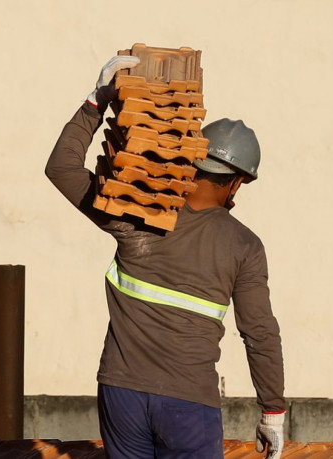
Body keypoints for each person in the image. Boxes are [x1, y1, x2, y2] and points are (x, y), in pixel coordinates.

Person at [45, 55, 285, 459]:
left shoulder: (135, 212)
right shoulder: (243, 246)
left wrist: (96, 101)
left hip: (121, 394)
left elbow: (61, 168)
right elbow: (259, 333)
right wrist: (273, 411)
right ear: (237, 182)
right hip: (189, 404)